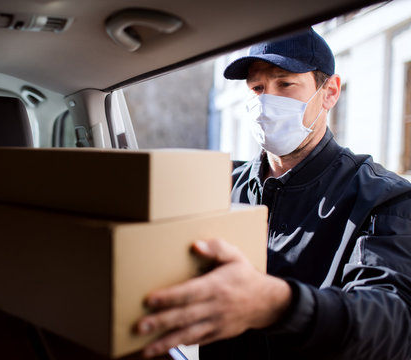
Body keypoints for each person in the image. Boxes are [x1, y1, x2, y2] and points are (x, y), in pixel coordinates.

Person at [133, 28, 411, 359]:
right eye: (257, 88)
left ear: (330, 92)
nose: (267, 102)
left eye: (285, 84)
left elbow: (389, 323)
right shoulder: (220, 185)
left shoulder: (381, 198)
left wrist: (278, 305)